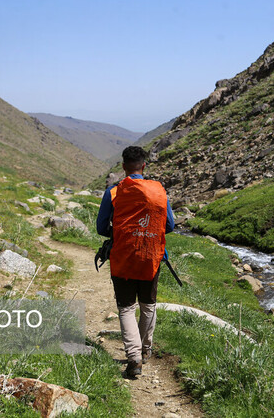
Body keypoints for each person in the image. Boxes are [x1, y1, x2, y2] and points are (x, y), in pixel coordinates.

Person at [96, 146, 175, 377]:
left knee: (126, 307)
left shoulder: (113, 192)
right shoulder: (159, 191)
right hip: (151, 256)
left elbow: (102, 228)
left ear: (123, 166)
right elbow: (169, 225)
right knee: (148, 305)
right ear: (144, 166)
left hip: (123, 256)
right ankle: (145, 350)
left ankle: (134, 358)